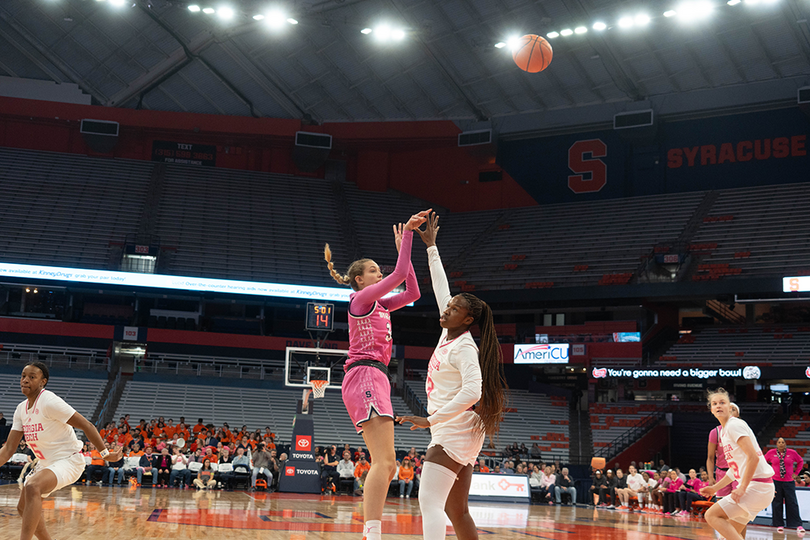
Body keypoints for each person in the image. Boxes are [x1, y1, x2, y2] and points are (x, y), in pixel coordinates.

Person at [395, 213, 507, 540]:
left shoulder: (465, 348)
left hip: (453, 429)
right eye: (448, 306)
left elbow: (474, 391)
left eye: (454, 308)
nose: (445, 309)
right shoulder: (449, 332)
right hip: (460, 429)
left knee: (429, 501)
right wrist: (430, 246)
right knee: (456, 511)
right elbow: (440, 285)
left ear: (468, 318)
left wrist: (431, 419)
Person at [324, 209, 428, 540]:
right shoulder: (360, 299)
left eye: (378, 270)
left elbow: (413, 293)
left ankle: (372, 531)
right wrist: (408, 235)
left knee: (387, 464)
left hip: (376, 376)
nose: (378, 274)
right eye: (373, 271)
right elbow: (398, 275)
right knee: (384, 462)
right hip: (365, 374)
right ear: (360, 279)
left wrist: (404, 255)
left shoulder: (381, 305)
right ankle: (372, 533)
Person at [0, 362, 122, 540]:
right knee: (22, 507)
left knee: (33, 486)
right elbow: (8, 449)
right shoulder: (20, 409)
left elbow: (87, 425)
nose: (25, 380)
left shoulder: (49, 401)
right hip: (45, 464)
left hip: (69, 460)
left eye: (31, 377)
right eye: (23, 376)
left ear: (43, 382)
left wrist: (105, 453)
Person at [700, 388, 776, 540]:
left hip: (756, 487)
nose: (718, 406)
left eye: (722, 402)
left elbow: (753, 458)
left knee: (711, 515)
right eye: (714, 403)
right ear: (711, 409)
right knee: (726, 537)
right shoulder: (724, 431)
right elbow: (734, 470)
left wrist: (742, 487)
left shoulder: (734, 425)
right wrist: (714, 488)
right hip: (760, 488)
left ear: (730, 407)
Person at [764, 437, 805, 533]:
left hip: (789, 481)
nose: (781, 444)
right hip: (776, 481)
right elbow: (763, 462)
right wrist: (768, 473)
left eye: (783, 442)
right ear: (776, 444)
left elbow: (800, 461)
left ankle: (795, 524)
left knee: (792, 503)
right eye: (779, 442)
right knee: (776, 502)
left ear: (785, 444)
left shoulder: (792, 453)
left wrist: (796, 473)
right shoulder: (771, 453)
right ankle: (778, 524)